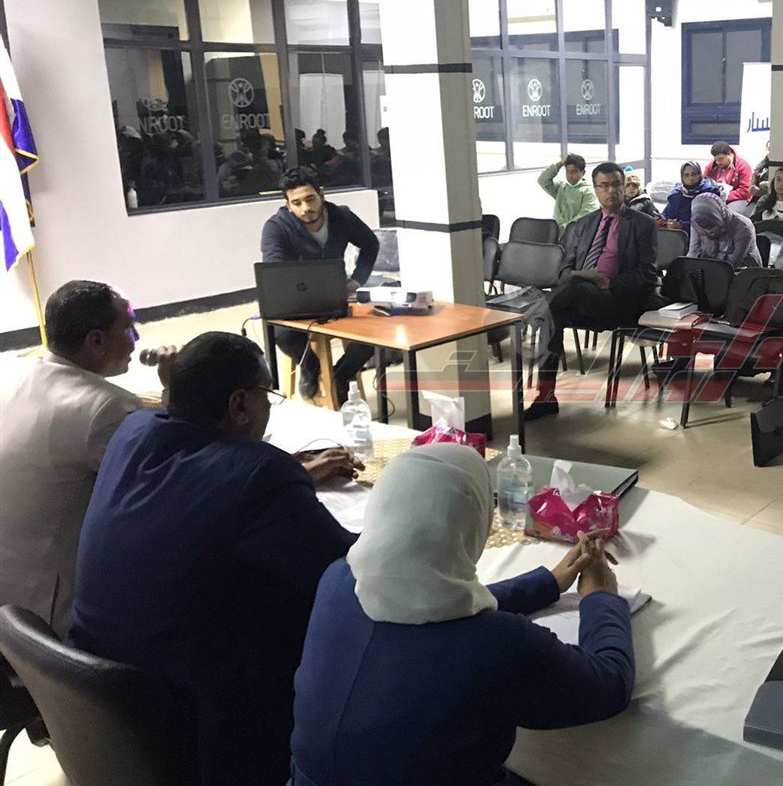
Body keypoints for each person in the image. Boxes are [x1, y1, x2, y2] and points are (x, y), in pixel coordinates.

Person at [71, 332, 359, 786]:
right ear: (240, 404)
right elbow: (350, 570)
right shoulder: (260, 473)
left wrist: (297, 473)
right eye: (267, 395)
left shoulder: (133, 431)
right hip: (198, 715)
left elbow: (199, 488)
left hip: (101, 698)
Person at [290, 444, 634, 786]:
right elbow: (608, 685)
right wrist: (601, 597)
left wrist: (547, 583)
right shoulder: (499, 644)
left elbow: (438, 609)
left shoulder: (339, 580)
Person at [0, 282, 173, 637]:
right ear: (96, 340)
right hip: (54, 614)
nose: (137, 339)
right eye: (128, 327)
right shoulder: (107, 407)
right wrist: (175, 394)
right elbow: (164, 485)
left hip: (11, 590)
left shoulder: (16, 375)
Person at [527, 163, 658, 420]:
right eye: (604, 186)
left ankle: (531, 311)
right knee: (554, 315)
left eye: (616, 185)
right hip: (580, 298)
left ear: (624, 187)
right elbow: (565, 270)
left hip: (616, 300)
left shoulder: (643, 224)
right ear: (595, 189)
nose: (611, 191)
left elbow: (648, 274)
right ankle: (545, 397)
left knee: (563, 295)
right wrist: (578, 277)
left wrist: (610, 282)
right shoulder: (584, 224)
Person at [260, 165, 379, 404]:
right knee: (282, 334)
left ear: (321, 195)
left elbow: (370, 244)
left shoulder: (342, 217)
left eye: (310, 199)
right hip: (295, 301)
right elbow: (274, 270)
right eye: (297, 203)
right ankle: (310, 366)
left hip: (338, 294)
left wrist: (357, 280)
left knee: (375, 332)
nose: (305, 208)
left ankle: (339, 375)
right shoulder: (276, 227)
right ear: (288, 205)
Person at [688, 193, 761, 268]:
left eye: (710, 223)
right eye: (703, 226)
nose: (707, 229)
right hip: (708, 268)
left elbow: (733, 263)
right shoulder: (697, 223)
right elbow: (693, 253)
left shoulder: (743, 227)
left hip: (744, 269)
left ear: (716, 216)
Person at [538, 153, 598, 229]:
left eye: (574, 171)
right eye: (567, 171)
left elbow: (585, 216)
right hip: (556, 230)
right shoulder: (561, 187)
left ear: (583, 173)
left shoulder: (588, 192)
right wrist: (559, 164)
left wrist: (565, 228)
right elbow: (543, 180)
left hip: (575, 232)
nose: (570, 175)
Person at [661, 160, 722, 234]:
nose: (691, 178)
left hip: (699, 235)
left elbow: (710, 222)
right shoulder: (677, 194)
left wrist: (682, 225)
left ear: (699, 174)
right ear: (682, 177)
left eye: (694, 174)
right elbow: (666, 213)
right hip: (674, 234)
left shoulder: (709, 194)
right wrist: (662, 219)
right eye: (686, 175)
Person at [751, 166, 783, 237]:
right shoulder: (764, 200)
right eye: (778, 180)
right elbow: (751, 225)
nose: (781, 184)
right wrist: (772, 224)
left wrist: (768, 224)